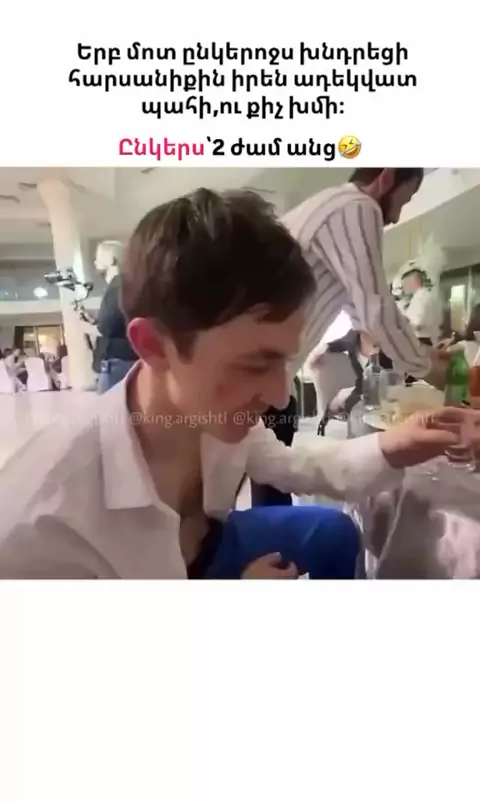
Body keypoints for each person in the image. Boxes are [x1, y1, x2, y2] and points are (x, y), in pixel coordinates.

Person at [0, 188, 474, 580]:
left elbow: (298, 463)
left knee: (333, 532)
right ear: (155, 345)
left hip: (208, 544)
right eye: (253, 364)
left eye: (283, 361)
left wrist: (399, 444)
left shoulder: (209, 416)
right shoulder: (44, 528)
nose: (280, 395)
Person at [251, 167, 448, 506]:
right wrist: (431, 370)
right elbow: (376, 309)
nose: (396, 216)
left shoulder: (329, 208)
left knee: (268, 484)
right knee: (247, 488)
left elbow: (364, 315)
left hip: (266, 378)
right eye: (404, 200)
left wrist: (423, 355)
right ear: (386, 177)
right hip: (256, 379)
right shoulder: (357, 206)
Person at [79, 240, 138, 393]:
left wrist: (82, 326)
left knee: (109, 407)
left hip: (117, 363)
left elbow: (105, 329)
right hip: (128, 358)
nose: (95, 261)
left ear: (112, 260)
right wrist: (94, 322)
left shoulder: (116, 285)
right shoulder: (127, 283)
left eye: (98, 257)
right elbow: (118, 323)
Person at [400, 268, 442, 346]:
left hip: (422, 341)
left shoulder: (420, 298)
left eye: (404, 284)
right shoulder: (430, 295)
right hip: (431, 339)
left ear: (412, 282)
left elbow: (417, 326)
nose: (403, 288)